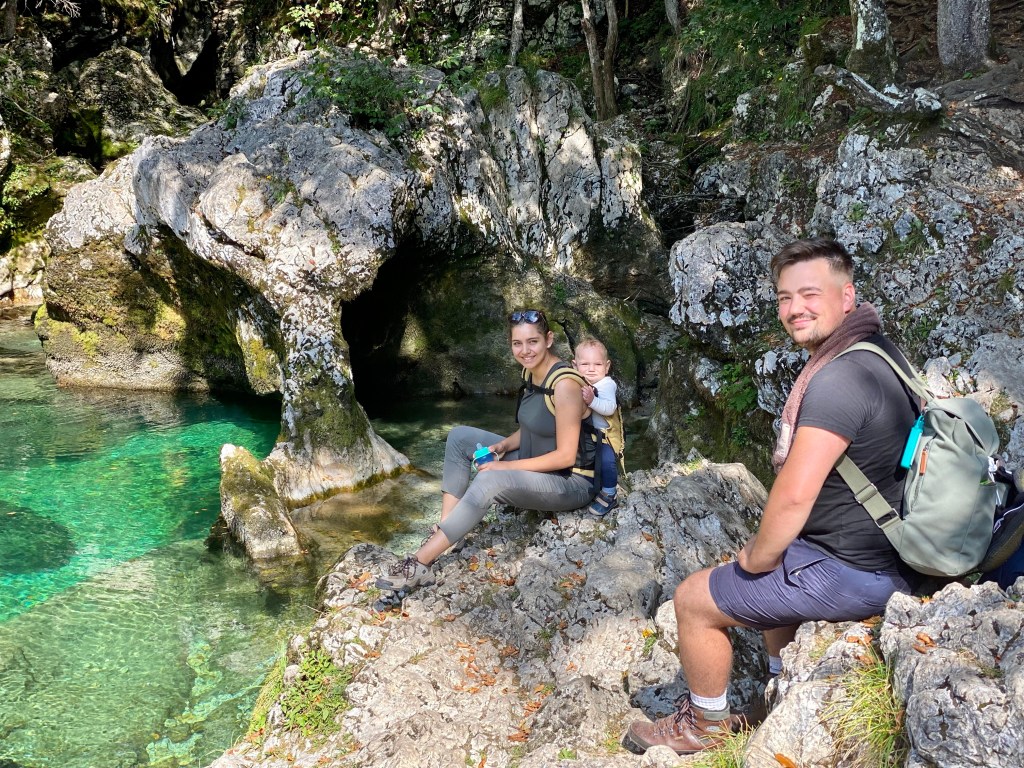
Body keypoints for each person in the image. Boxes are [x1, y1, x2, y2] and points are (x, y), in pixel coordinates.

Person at [623, 237, 921, 755]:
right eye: (785, 298)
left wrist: (756, 557)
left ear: (847, 296)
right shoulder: (881, 353)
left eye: (809, 294)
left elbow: (794, 497)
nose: (794, 309)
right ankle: (781, 691)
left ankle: (704, 725)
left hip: (858, 571)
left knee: (693, 599)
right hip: (894, 553)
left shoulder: (839, 380)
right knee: (782, 560)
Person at [376, 309, 599, 593]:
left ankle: (419, 565)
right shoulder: (531, 373)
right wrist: (503, 446)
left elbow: (565, 456)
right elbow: (538, 427)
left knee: (489, 478)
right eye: (517, 343)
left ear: (549, 340)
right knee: (459, 437)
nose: (525, 350)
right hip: (536, 462)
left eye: (533, 342)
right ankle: (449, 530)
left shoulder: (565, 385)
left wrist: (503, 466)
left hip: (571, 482)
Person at [573, 337, 620, 516]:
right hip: (587, 435)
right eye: (585, 364)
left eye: (597, 364)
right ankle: (594, 485)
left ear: (607, 367)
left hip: (605, 436)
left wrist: (592, 401)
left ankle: (609, 493)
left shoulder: (607, 384)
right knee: (589, 461)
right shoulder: (578, 382)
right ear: (575, 365)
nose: (591, 369)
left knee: (607, 462)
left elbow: (609, 408)